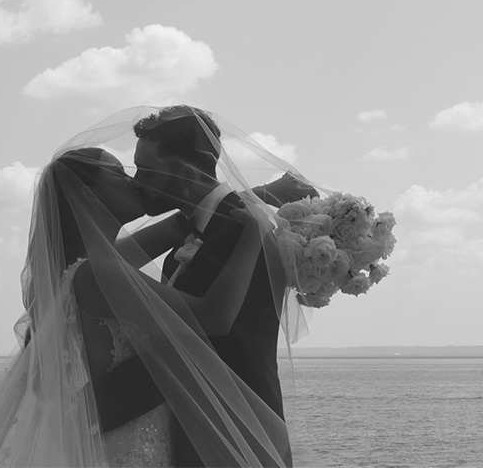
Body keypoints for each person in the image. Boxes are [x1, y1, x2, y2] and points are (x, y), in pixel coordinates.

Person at [0, 107, 314, 467]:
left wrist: (254, 195)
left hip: (140, 435)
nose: (134, 180)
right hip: (130, 441)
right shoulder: (98, 273)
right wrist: (255, 231)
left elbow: (182, 223)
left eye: (139, 170)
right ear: (90, 197)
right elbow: (210, 319)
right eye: (120, 175)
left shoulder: (87, 268)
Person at [94, 106, 319, 467]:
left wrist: (89, 408)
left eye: (146, 169)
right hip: (200, 438)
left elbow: (199, 337)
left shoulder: (243, 231)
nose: (137, 181)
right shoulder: (199, 228)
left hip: (238, 439)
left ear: (184, 171)